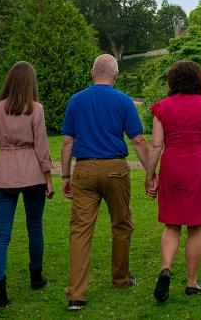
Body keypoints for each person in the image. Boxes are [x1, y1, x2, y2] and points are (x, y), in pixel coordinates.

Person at [60, 54, 150, 311]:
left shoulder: (76, 100)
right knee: (121, 224)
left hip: (85, 170)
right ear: (116, 75)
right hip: (115, 170)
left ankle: (76, 294)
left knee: (80, 231)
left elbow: (67, 141)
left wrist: (66, 175)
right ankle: (121, 279)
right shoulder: (123, 100)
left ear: (92, 73)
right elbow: (138, 141)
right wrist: (151, 173)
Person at [145, 60, 201, 303]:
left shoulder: (161, 108)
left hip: (171, 165)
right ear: (199, 80)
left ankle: (165, 268)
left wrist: (150, 174)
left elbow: (156, 145)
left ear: (172, 81)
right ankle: (191, 282)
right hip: (197, 166)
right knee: (196, 226)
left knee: (171, 224)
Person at [0, 61, 55, 308]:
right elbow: (42, 146)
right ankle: (36, 277)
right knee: (35, 227)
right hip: (33, 173)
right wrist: (49, 178)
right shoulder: (35, 109)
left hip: (4, 174)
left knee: (2, 234)